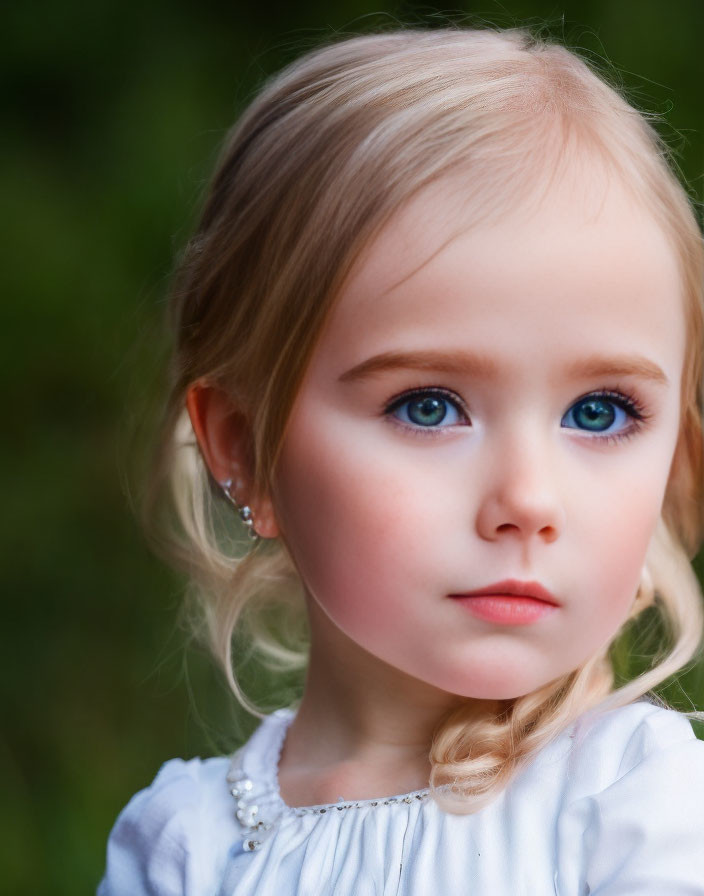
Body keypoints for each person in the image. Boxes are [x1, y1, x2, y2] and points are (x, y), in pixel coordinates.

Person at [99, 26, 704, 895]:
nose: (528, 500)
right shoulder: (182, 849)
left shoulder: (644, 813)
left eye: (599, 412)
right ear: (244, 448)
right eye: (429, 406)